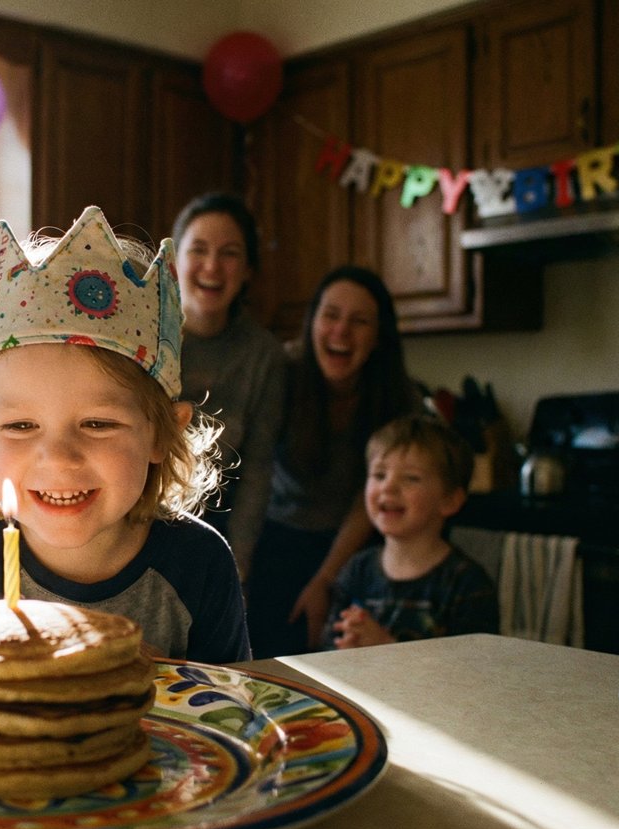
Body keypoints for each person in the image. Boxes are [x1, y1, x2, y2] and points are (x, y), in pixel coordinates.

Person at [0, 205, 252, 665]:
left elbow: (229, 715)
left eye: (98, 424)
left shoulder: (200, 564)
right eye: (20, 426)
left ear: (161, 435)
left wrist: (165, 683)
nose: (60, 458)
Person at [248, 265, 423, 658]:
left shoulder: (397, 395)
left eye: (359, 321)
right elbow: (253, 464)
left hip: (357, 546)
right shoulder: (282, 371)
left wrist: (327, 579)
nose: (341, 331)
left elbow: (372, 494)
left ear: (379, 336)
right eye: (330, 315)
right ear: (312, 323)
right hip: (276, 541)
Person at [172, 191, 286, 577]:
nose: (212, 266)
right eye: (198, 250)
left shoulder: (264, 355)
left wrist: (238, 564)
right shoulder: (145, 338)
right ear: (174, 262)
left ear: (249, 270)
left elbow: (257, 469)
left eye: (230, 253)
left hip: (218, 526)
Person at [322, 414, 499, 649]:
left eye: (411, 478)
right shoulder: (356, 571)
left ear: (449, 500)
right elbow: (325, 650)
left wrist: (386, 646)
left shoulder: (467, 585)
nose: (388, 487)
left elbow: (475, 674)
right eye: (379, 475)